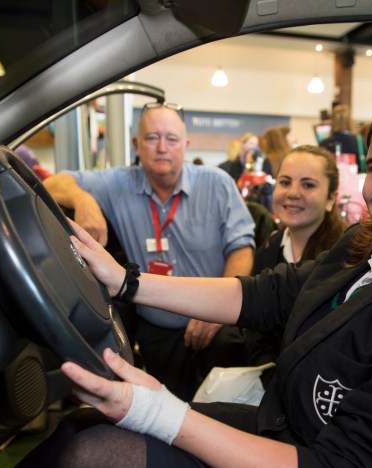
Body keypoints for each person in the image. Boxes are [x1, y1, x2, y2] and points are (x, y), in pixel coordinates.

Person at [0, 93, 372, 468]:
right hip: (284, 429)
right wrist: (126, 282)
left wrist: (161, 414)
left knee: (92, 460)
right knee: (85, 424)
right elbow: (269, 294)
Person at [42, 102, 255, 401]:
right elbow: (51, 184)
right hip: (157, 332)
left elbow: (241, 247)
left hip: (214, 326)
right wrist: (83, 200)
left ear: (186, 145)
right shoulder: (118, 183)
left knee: (224, 409)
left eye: (172, 139)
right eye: (152, 138)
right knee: (168, 412)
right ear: (136, 144)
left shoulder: (216, 184)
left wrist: (219, 309)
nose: (162, 148)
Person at [246, 144, 347, 367]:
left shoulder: (348, 257)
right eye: (285, 182)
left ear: (331, 199)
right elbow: (256, 327)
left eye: (308, 185)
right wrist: (267, 369)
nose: (292, 193)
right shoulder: (269, 248)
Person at [319, 103, 365, 172]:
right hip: (357, 177)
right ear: (350, 120)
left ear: (333, 121)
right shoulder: (360, 141)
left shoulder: (325, 143)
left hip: (334, 178)